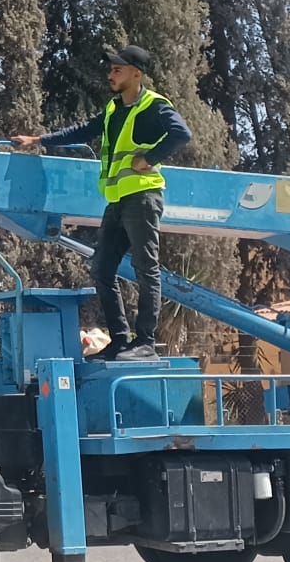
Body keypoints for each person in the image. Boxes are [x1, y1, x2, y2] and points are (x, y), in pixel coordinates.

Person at [13, 45, 192, 362]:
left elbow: (182, 134)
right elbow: (81, 131)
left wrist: (149, 158)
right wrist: (39, 140)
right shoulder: (113, 109)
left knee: (145, 269)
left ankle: (146, 342)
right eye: (110, 70)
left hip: (143, 196)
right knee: (102, 269)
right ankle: (121, 340)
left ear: (136, 74)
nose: (111, 75)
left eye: (117, 70)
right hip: (118, 200)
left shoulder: (153, 106)